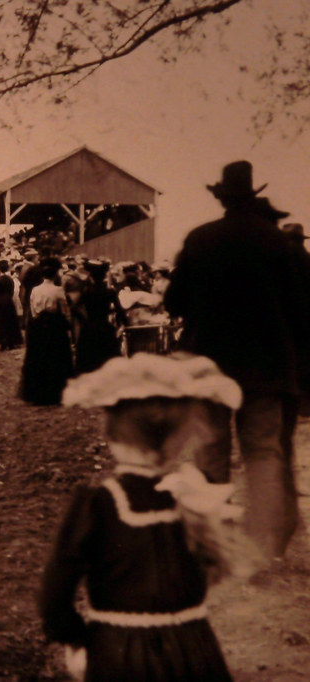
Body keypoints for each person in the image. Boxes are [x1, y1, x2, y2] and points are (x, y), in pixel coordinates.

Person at [41, 353, 249, 682]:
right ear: (178, 434)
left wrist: (77, 641)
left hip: (119, 654)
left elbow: (53, 595)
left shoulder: (98, 505)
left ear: (109, 432)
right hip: (191, 650)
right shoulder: (193, 495)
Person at [164, 160, 308, 558]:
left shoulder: (200, 239)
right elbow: (302, 311)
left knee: (210, 449)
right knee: (263, 452)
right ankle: (262, 544)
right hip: (266, 367)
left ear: (222, 198)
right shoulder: (281, 244)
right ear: (253, 196)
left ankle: (212, 542)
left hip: (209, 365)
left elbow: (173, 302)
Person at [20, 257, 74, 405]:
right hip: (54, 324)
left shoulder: (35, 290)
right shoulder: (58, 290)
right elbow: (65, 310)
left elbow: (32, 309)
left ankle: (38, 393)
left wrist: (37, 319)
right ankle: (55, 393)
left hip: (38, 325)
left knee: (39, 357)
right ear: (55, 274)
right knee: (56, 358)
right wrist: (68, 324)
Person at [0, 260, 23, 351]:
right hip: (8, 301)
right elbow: (12, 291)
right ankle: (11, 342)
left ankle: (2, 343)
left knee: (0, 322)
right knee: (10, 322)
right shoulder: (10, 279)